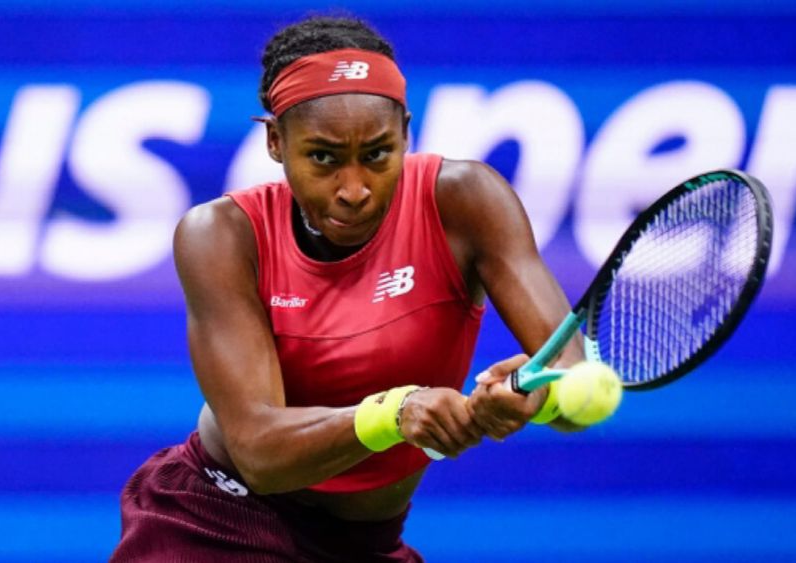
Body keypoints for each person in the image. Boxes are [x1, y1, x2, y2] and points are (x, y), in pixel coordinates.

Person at [110, 15, 583, 563]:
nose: (354, 190)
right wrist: (393, 413)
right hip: (219, 521)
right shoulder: (221, 235)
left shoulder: (467, 201)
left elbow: (575, 385)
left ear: (406, 131)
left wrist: (535, 397)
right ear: (274, 140)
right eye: (324, 159)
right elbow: (259, 452)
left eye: (378, 154)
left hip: (367, 545)